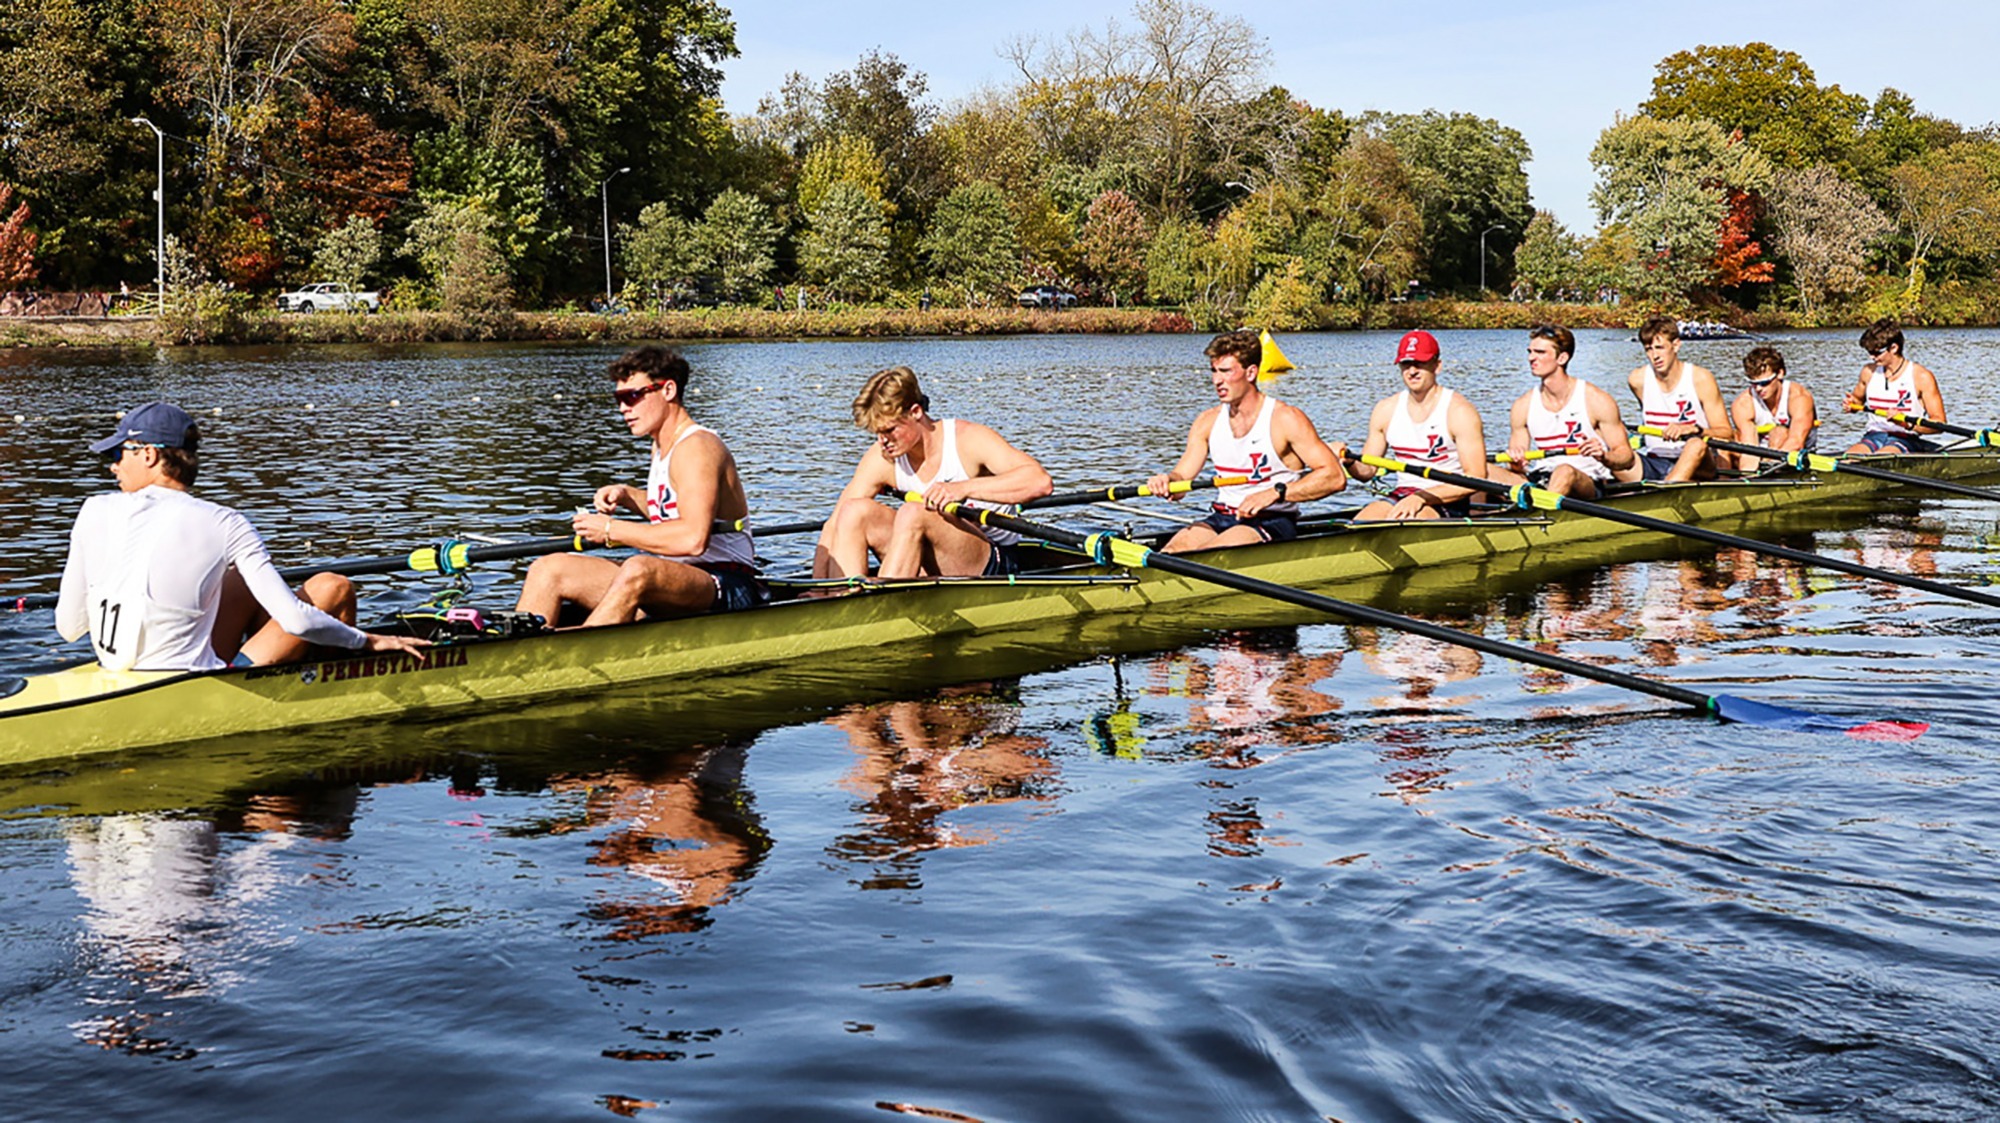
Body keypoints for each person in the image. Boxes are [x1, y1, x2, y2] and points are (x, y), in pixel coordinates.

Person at [55, 402, 429, 672]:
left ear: (149, 454)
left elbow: (69, 628)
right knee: (333, 587)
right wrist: (369, 639)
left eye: (119, 453)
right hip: (186, 681)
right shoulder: (226, 522)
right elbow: (297, 622)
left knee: (238, 581)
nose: (113, 465)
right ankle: (327, 677)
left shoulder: (93, 509)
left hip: (114, 668)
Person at [516, 347, 760, 627]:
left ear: (668, 390)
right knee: (549, 568)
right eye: (618, 399)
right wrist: (628, 496)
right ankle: (520, 648)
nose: (623, 408)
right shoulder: (660, 446)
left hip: (727, 584)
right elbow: (676, 509)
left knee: (639, 567)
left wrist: (610, 529)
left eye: (632, 396)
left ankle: (578, 650)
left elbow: (692, 539)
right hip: (674, 579)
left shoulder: (697, 447)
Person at [814, 366, 1053, 579]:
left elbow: (1039, 482)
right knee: (852, 512)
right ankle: (836, 595)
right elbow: (833, 526)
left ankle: (882, 600)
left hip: (993, 561)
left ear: (916, 412)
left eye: (889, 430)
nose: (882, 441)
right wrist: (817, 587)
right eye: (876, 433)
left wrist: (962, 489)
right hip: (930, 557)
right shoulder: (882, 457)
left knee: (913, 512)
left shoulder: (967, 440)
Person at [1144, 330, 1348, 551]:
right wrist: (1167, 482)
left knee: (1213, 553)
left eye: (1226, 371)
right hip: (1222, 517)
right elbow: (1182, 479)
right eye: (1214, 371)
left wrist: (1275, 493)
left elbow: (1334, 477)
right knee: (1172, 552)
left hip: (1271, 520)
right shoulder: (1207, 421)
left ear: (1251, 373)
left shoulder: (1285, 419)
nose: (1217, 380)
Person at [1347, 330, 1493, 520]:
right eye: (1406, 364)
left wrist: (1421, 498)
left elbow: (1476, 476)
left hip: (1447, 499)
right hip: (1403, 495)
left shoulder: (1459, 412)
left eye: (1420, 363)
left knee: (1405, 520)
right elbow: (1367, 471)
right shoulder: (1385, 409)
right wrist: (1349, 462)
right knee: (1362, 521)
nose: (1412, 371)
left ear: (1437, 366)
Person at [1498, 323, 1636, 500]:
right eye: (1530, 352)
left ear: (1562, 358)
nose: (1531, 358)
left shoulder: (1596, 400)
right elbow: (1517, 468)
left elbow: (1627, 458)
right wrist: (1515, 465)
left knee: (1564, 471)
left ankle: (1540, 510)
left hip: (1585, 482)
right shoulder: (1522, 405)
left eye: (1540, 352)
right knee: (1479, 470)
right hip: (1540, 479)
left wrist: (1604, 456)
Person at [1625, 315, 1730, 483]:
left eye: (1660, 348)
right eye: (1649, 349)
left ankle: (1665, 491)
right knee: (1615, 451)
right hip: (1655, 460)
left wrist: (1694, 430)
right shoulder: (1637, 380)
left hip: (1698, 462)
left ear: (1676, 345)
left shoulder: (1701, 379)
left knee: (1695, 444)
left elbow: (1726, 433)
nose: (1655, 356)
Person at [1843, 319, 1947, 454]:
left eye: (1876, 353)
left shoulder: (1921, 377)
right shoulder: (1868, 372)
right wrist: (1851, 405)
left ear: (1893, 348)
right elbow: (1857, 400)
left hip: (1906, 438)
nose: (1872, 357)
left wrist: (1906, 424)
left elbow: (1939, 424)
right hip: (1874, 436)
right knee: (1849, 457)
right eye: (1869, 352)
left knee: (1881, 458)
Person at [1726, 345, 1818, 471]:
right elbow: (1749, 448)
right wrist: (1748, 474)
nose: (1758, 389)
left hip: (1794, 455)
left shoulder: (1799, 397)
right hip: (1760, 457)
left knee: (1778, 432)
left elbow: (1796, 442)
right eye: (1753, 383)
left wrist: (1770, 465)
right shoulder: (1743, 404)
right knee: (1723, 442)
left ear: (1780, 373)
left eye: (1764, 383)